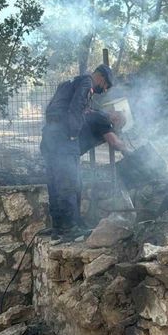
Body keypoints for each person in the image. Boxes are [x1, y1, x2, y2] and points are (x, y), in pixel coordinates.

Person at [40, 64, 114, 240]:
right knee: (70, 182)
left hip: (49, 136)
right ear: (101, 78)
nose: (102, 91)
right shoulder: (86, 83)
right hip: (64, 138)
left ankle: (58, 228)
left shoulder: (69, 84)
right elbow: (77, 105)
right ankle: (71, 228)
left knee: (55, 182)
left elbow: (53, 108)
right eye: (105, 87)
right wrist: (73, 133)